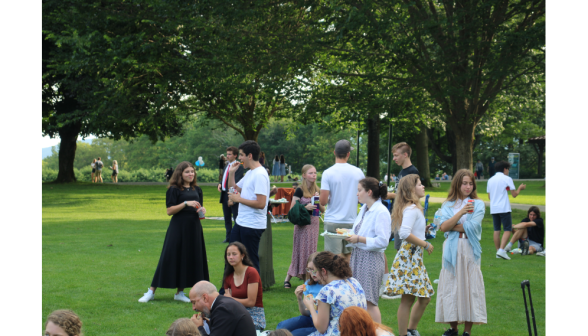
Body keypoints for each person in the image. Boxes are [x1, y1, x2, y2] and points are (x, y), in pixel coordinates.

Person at [138, 161, 209, 303]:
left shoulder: (197, 189)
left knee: (188, 258)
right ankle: (151, 291)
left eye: (192, 171)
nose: (190, 174)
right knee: (168, 257)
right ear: (180, 174)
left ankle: (180, 292)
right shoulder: (174, 189)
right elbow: (169, 211)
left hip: (193, 228)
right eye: (187, 172)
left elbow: (198, 211)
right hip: (178, 227)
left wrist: (202, 211)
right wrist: (185, 203)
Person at [436, 169, 487, 336]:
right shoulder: (447, 205)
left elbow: (472, 227)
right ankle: (453, 328)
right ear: (457, 184)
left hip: (469, 247)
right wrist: (461, 212)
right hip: (451, 248)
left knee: (470, 286)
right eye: (464, 183)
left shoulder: (478, 204)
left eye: (470, 183)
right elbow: (443, 227)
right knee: (451, 286)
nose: (468, 186)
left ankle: (467, 331)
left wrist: (451, 225)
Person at [383, 174, 435, 336]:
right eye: (420, 184)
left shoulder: (413, 208)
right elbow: (405, 233)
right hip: (409, 257)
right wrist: (425, 243)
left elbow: (410, 230)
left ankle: (410, 330)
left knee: (423, 298)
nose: (423, 187)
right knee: (408, 300)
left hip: (413, 257)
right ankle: (405, 334)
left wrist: (423, 231)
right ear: (411, 189)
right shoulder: (412, 209)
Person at [344, 177, 391, 323]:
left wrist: (359, 239)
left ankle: (377, 331)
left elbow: (383, 241)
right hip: (358, 257)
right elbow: (359, 232)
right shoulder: (364, 209)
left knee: (369, 301)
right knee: (358, 299)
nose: (357, 194)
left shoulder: (381, 212)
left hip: (371, 259)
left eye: (359, 190)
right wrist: (348, 234)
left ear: (369, 192)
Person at [227, 140, 270, 273]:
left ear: (249, 156)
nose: (239, 158)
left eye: (241, 155)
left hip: (252, 225)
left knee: (250, 261)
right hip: (241, 222)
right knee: (232, 258)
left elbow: (261, 203)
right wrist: (232, 173)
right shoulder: (251, 173)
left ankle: (255, 292)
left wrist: (239, 199)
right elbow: (233, 189)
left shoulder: (260, 175)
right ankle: (227, 290)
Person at [320, 139, 365, 263]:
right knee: (349, 257)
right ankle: (350, 281)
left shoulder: (328, 173)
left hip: (333, 220)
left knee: (334, 258)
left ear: (334, 152)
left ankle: (338, 282)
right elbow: (363, 198)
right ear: (348, 154)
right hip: (352, 220)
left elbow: (323, 201)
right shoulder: (358, 172)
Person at [303, 251, 367, 336]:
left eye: (315, 271)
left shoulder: (327, 291)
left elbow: (321, 328)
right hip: (359, 332)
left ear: (323, 271)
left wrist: (310, 306)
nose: (315, 275)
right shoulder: (353, 281)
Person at [284, 164, 325, 288]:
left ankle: (308, 279)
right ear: (304, 175)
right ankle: (288, 277)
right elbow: (292, 209)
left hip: (314, 223)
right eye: (311, 173)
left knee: (311, 252)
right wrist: (304, 207)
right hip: (302, 225)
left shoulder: (317, 189)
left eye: (315, 173)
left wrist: (318, 200)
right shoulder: (300, 190)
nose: (314, 175)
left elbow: (321, 210)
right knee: (299, 251)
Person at [277, 252, 324, 336]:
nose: (311, 273)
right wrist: (299, 298)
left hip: (322, 324)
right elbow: (305, 313)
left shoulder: (329, 287)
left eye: (314, 269)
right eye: (309, 269)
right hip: (310, 319)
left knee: (294, 334)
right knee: (281, 327)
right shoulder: (308, 284)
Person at [487, 161, 526, 260]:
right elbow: (514, 195)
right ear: (505, 169)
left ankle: (498, 252)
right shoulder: (507, 179)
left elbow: (489, 196)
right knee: (507, 229)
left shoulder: (490, 180)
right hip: (504, 208)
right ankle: (501, 251)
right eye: (508, 169)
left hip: (494, 208)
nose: (508, 171)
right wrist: (520, 188)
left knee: (496, 230)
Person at [222, 242, 266, 330]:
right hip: (236, 313)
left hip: (254, 315)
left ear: (242, 256)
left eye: (234, 254)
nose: (231, 257)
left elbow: (251, 302)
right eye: (228, 255)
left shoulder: (251, 272)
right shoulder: (228, 277)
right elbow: (228, 302)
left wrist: (231, 299)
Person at [189, 281, 257, 336]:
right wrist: (210, 323)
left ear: (205, 298)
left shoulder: (223, 309)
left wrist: (199, 327)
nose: (193, 308)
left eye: (194, 302)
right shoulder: (224, 304)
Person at [385, 142, 419, 251]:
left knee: (402, 249)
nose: (394, 158)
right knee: (382, 243)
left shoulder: (412, 172)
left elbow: (411, 195)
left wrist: (390, 195)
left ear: (405, 155)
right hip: (397, 214)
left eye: (396, 155)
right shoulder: (401, 172)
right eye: (393, 156)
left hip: (405, 217)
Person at [218, 146, 244, 243]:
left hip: (233, 194)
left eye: (229, 154)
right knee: (227, 217)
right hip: (224, 194)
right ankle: (228, 237)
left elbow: (235, 183)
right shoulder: (226, 166)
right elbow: (223, 179)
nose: (227, 156)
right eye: (227, 154)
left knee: (236, 216)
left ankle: (237, 237)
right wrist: (220, 184)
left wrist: (231, 198)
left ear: (235, 155)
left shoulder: (238, 167)